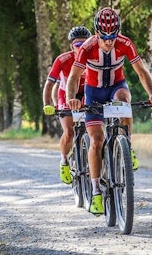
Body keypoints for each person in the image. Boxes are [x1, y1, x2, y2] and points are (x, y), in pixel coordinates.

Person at [66, 7, 152, 215]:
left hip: (116, 86)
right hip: (93, 92)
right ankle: (96, 193)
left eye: (113, 36)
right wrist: (72, 100)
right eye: (104, 37)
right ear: (97, 33)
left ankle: (127, 144)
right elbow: (74, 78)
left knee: (124, 100)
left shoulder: (125, 43)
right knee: (97, 140)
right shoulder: (87, 47)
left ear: (118, 31)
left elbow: (142, 72)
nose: (109, 41)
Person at [42, 26, 92, 185]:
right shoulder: (63, 59)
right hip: (66, 95)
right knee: (69, 132)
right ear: (72, 46)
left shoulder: (95, 58)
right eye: (77, 45)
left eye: (85, 44)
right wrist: (47, 104)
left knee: (95, 130)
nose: (81, 48)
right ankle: (64, 160)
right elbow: (49, 84)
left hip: (87, 93)